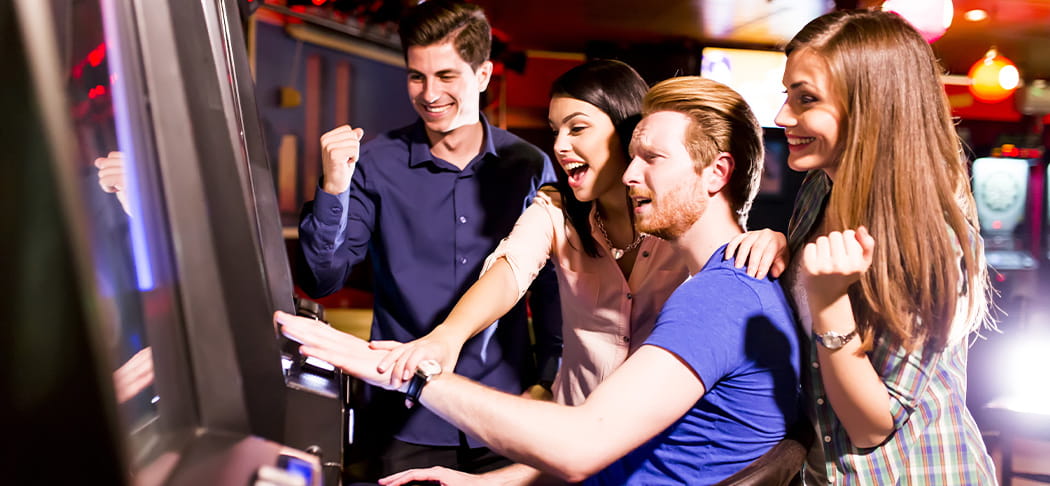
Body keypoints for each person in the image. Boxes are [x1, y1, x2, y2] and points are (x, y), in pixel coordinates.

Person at [280, 76, 802, 485]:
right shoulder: (716, 284)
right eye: (632, 154)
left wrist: (404, 371)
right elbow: (623, 456)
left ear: (717, 173)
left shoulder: (719, 297)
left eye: (652, 159)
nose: (628, 174)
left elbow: (580, 446)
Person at [295, 0, 562, 477]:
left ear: (483, 74)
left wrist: (548, 381)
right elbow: (322, 279)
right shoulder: (375, 162)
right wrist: (334, 186)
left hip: (505, 411)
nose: (429, 93)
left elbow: (550, 289)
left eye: (446, 76)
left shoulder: (529, 164)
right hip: (405, 415)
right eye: (417, 76)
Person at [775, 9, 996, 484]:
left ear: (871, 106)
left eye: (805, 99)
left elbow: (871, 425)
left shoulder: (928, 233)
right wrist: (776, 246)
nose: (782, 117)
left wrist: (831, 303)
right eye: (787, 95)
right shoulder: (820, 186)